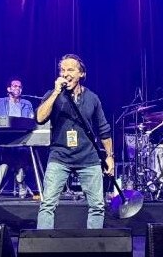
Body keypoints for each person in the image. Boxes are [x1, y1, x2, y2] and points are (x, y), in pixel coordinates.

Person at [36, 54, 114, 229]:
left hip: (88, 158)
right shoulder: (52, 95)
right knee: (47, 205)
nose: (65, 74)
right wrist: (56, 92)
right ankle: (42, 247)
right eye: (62, 70)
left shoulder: (92, 98)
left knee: (97, 206)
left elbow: (104, 130)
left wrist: (109, 156)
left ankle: (94, 247)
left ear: (82, 74)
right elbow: (40, 118)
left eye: (70, 70)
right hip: (60, 156)